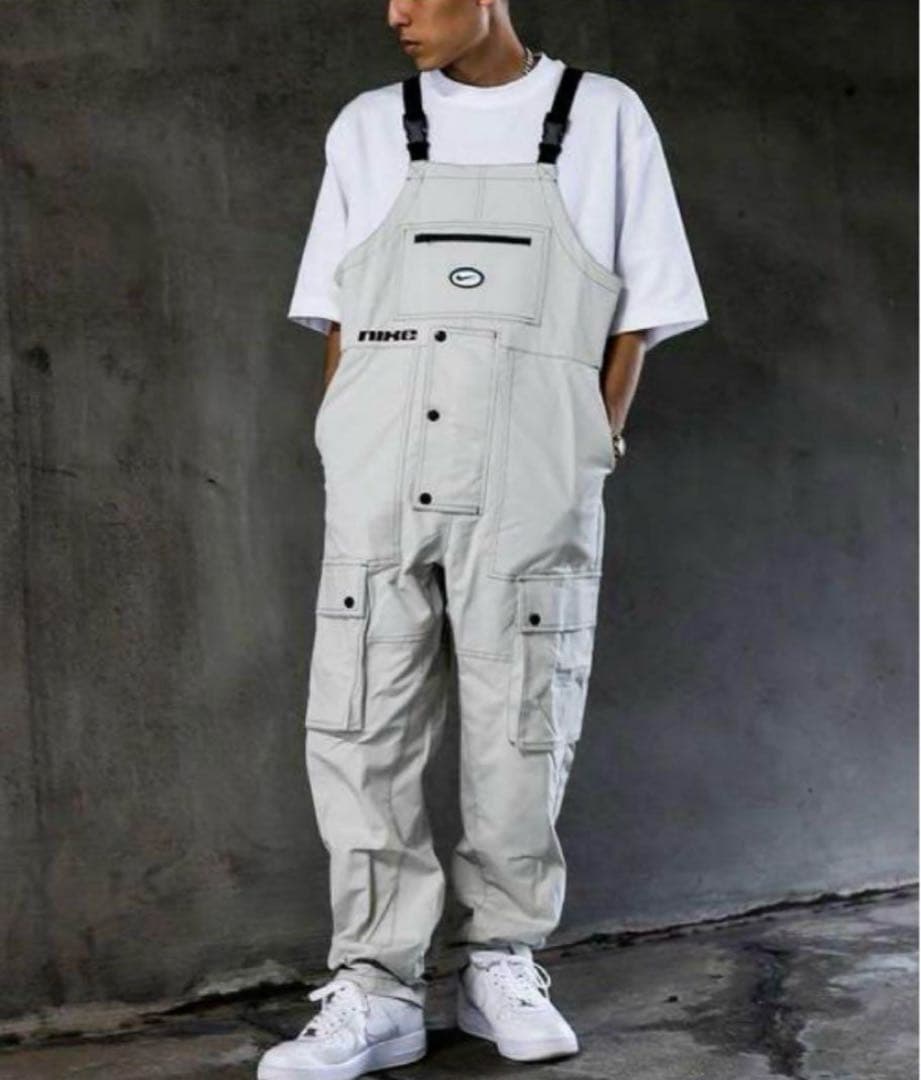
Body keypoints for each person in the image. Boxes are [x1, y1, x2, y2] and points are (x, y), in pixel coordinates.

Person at [258, 1, 707, 1077]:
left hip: (531, 476)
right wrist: (344, 445)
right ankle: (376, 988)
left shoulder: (601, 117)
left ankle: (501, 959)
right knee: (362, 721)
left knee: (523, 719)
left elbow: (639, 308)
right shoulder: (369, 126)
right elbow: (339, 313)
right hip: (381, 468)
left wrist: (594, 439)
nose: (396, 12)